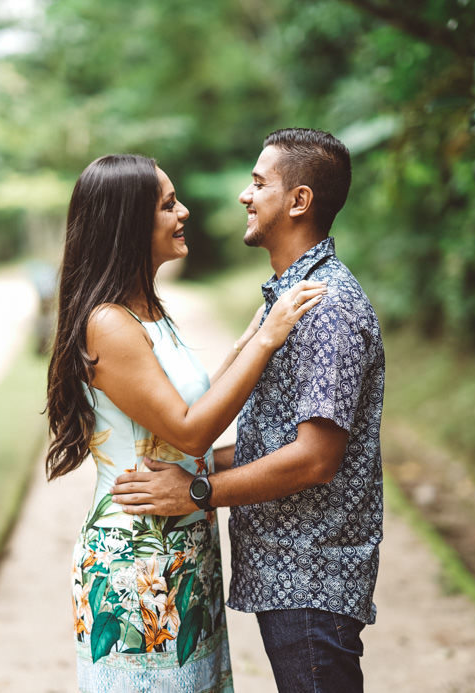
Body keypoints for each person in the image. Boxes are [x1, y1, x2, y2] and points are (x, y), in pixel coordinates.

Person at [111, 129, 386, 693]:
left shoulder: (325, 307)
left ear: (299, 201)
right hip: (290, 576)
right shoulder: (289, 299)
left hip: (311, 577)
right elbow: (276, 437)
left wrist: (197, 491)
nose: (245, 194)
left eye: (259, 183)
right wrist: (200, 468)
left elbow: (314, 459)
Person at [45, 153, 326, 693]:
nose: (184, 212)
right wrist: (266, 343)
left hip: (183, 545)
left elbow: (189, 406)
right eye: (168, 205)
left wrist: (247, 339)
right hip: (137, 561)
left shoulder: (146, 310)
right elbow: (191, 431)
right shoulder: (108, 323)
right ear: (128, 224)